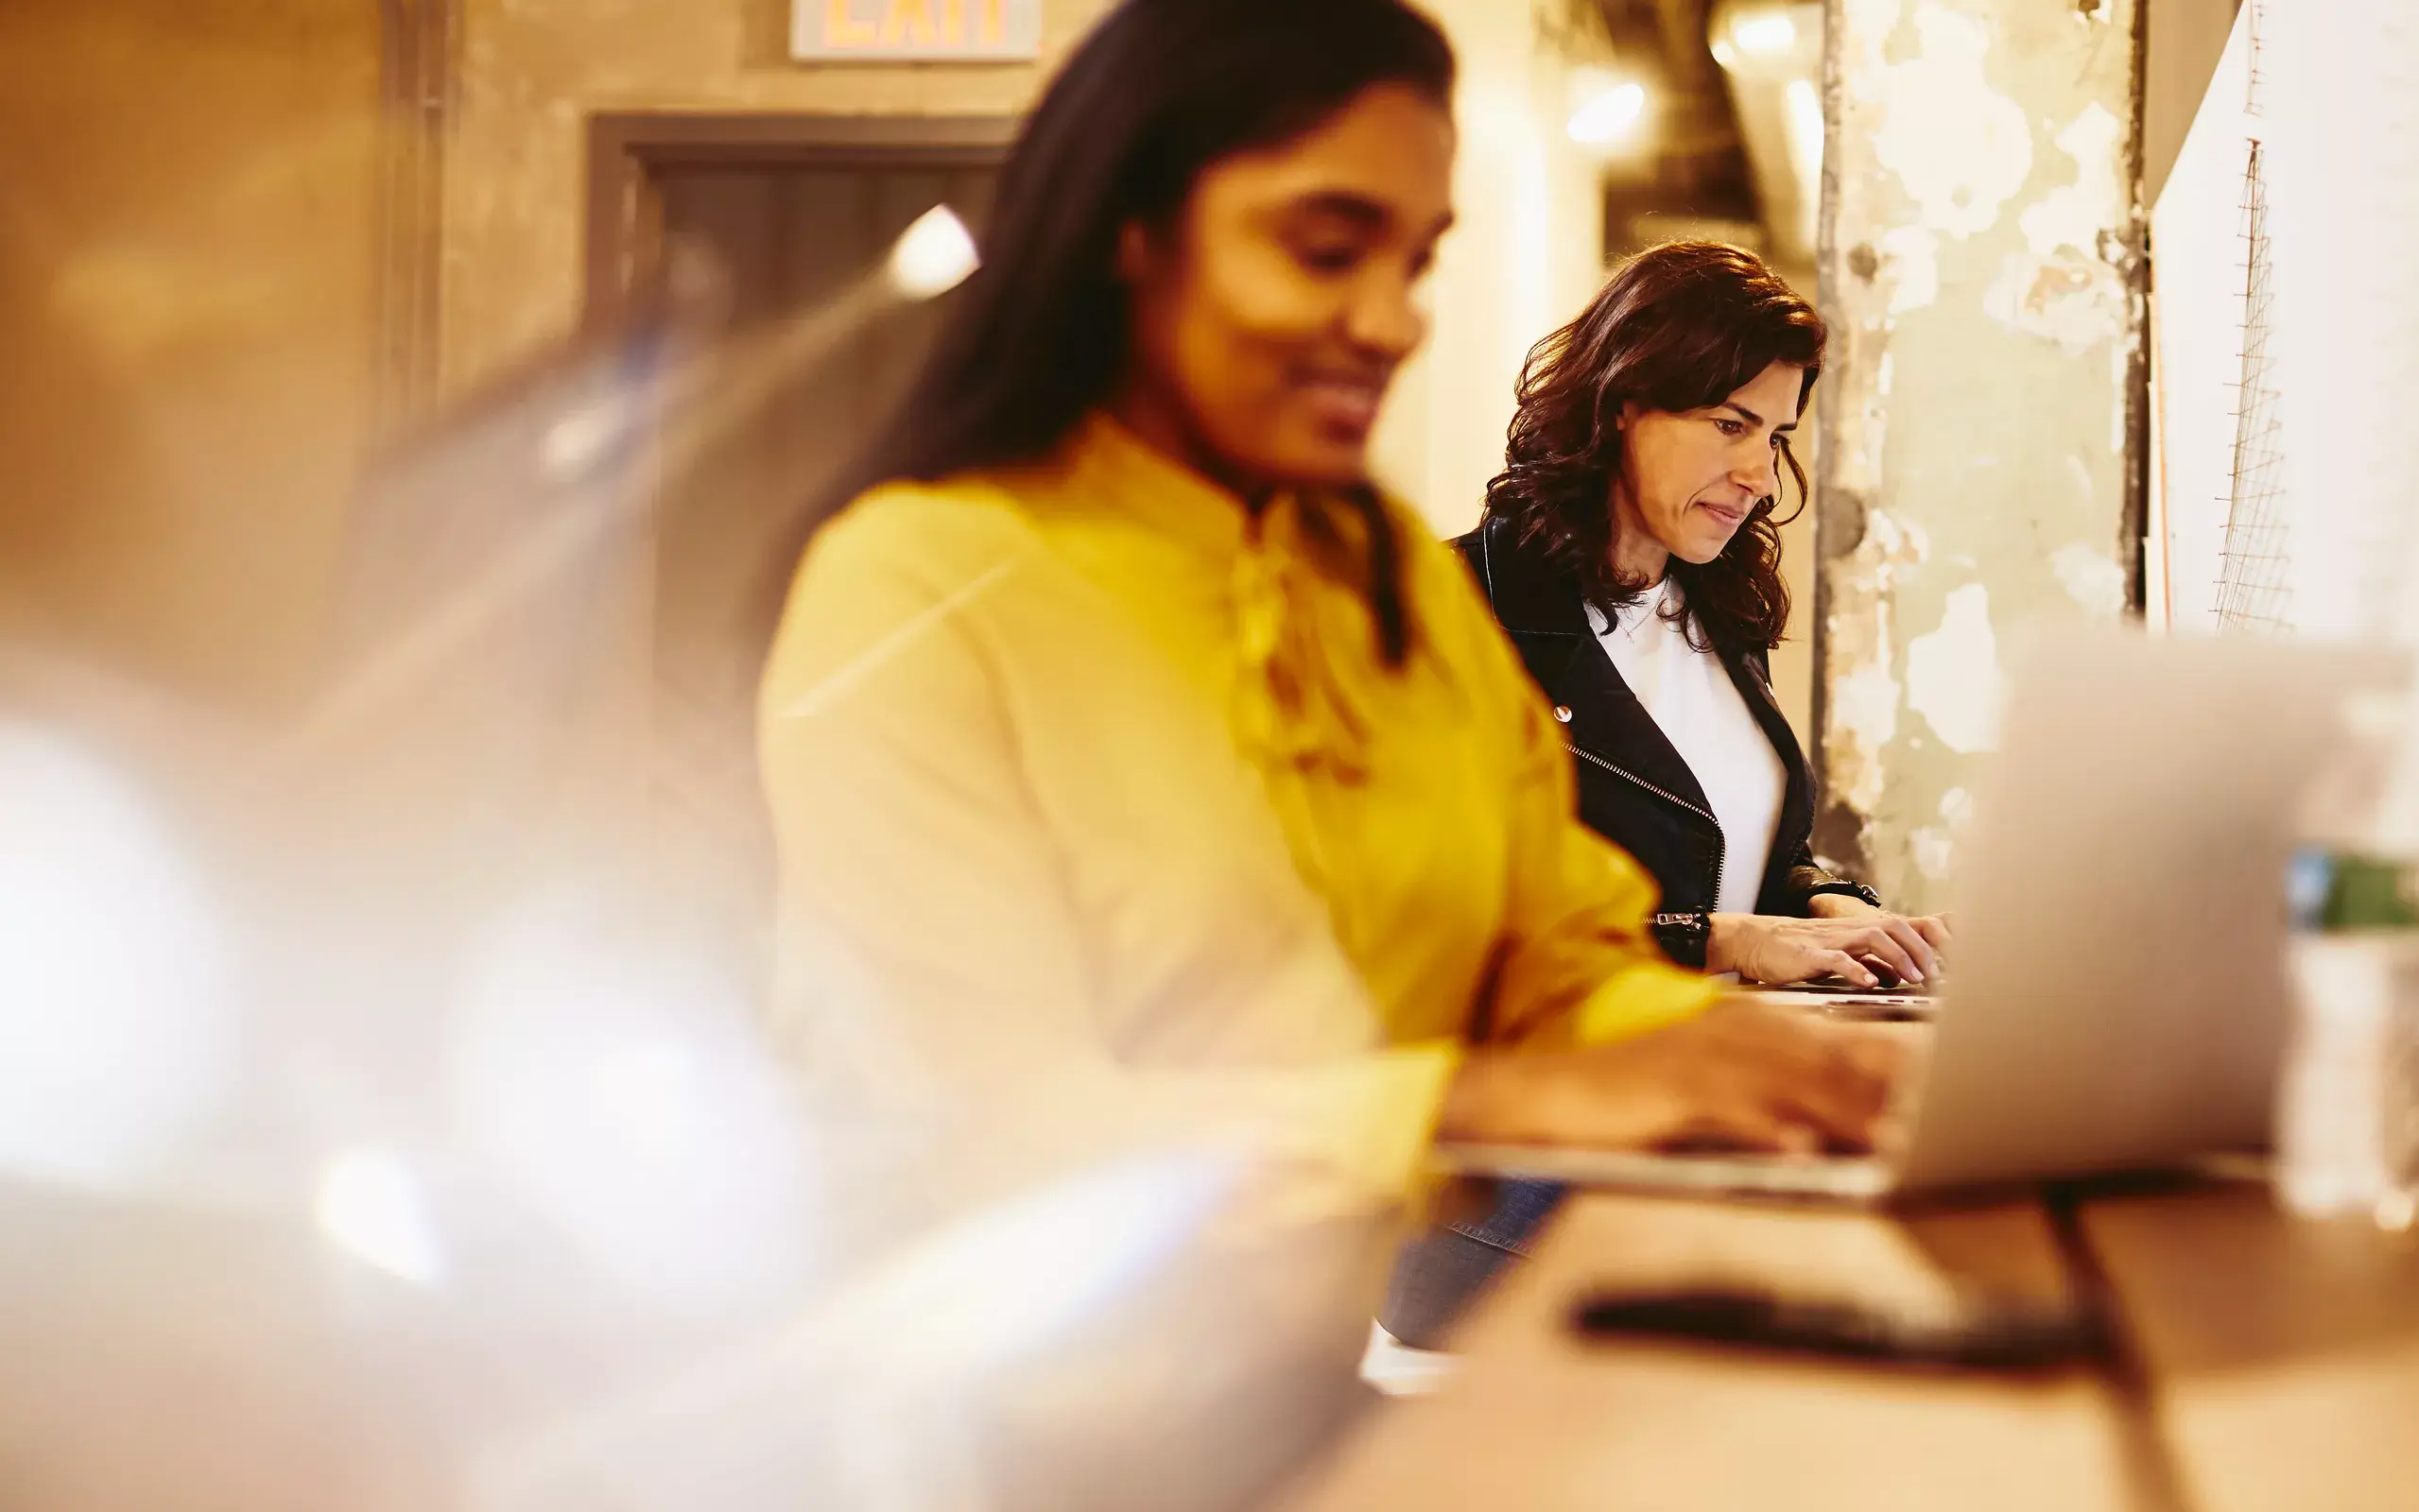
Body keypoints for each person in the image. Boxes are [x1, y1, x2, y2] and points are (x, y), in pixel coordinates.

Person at [757, 0, 1895, 1397]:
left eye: (1415, 263)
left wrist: (1761, 1066)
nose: (1392, 320)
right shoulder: (923, 588)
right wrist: (1474, 1104)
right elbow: (984, 1127)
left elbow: (1551, 953)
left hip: (1287, 1396)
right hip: (989, 1429)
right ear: (1132, 231)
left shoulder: (1383, 595)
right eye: (1323, 249)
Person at [1383, 243, 1952, 1349]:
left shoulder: (1711, 616)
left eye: (1778, 434)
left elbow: (1750, 840)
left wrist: (1829, 906)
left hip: (1693, 1112)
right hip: (1515, 1169)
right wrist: (1722, 942)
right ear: (1620, 405)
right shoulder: (1447, 613)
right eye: (1729, 423)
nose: (1758, 471)